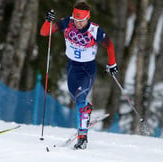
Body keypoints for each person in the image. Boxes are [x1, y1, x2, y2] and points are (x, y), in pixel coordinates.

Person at [40, 2, 118, 149]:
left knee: (81, 98)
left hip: (87, 69)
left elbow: (109, 45)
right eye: (76, 20)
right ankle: (86, 110)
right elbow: (45, 32)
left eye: (81, 21)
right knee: (77, 99)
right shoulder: (66, 22)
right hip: (71, 67)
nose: (78, 23)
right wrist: (47, 20)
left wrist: (112, 63)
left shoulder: (94, 30)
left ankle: (82, 138)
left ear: (87, 18)